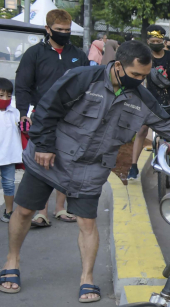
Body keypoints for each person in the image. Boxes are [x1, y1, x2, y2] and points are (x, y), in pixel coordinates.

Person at [0, 42, 170, 297]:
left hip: (91, 168)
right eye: (136, 75)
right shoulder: (83, 78)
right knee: (25, 210)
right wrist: (42, 144)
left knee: (87, 222)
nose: (140, 81)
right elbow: (48, 107)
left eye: (144, 76)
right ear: (118, 66)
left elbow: (168, 126)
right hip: (51, 157)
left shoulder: (141, 97)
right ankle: (12, 260)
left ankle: (87, 277)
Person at [15, 8, 89, 227]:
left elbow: (87, 85)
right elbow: (23, 86)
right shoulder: (34, 54)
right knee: (42, 163)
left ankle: (60, 208)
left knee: (67, 162)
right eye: (59, 30)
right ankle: (41, 211)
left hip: (72, 119)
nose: (64, 33)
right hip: (42, 117)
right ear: (48, 29)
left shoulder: (78, 54)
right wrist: (22, 113)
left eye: (67, 30)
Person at [127, 25, 170, 181]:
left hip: (168, 100)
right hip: (148, 100)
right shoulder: (144, 56)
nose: (155, 43)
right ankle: (133, 167)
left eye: (158, 40)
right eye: (152, 40)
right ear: (148, 41)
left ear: (163, 41)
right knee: (142, 131)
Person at [0, 78, 22, 223]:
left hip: (8, 156)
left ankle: (9, 211)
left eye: (8, 95)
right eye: (1, 95)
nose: (5, 99)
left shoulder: (15, 112)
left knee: (9, 184)